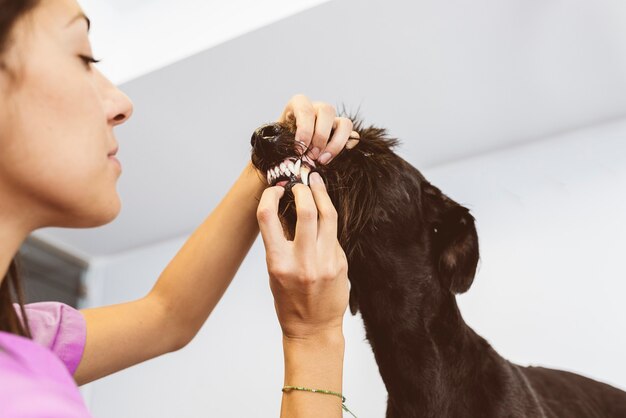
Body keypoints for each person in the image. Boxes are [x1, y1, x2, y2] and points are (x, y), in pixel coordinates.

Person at [0, 0, 359, 417]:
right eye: (84, 58)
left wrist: (271, 157)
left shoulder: (24, 344)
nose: (121, 103)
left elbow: (166, 316)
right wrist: (312, 336)